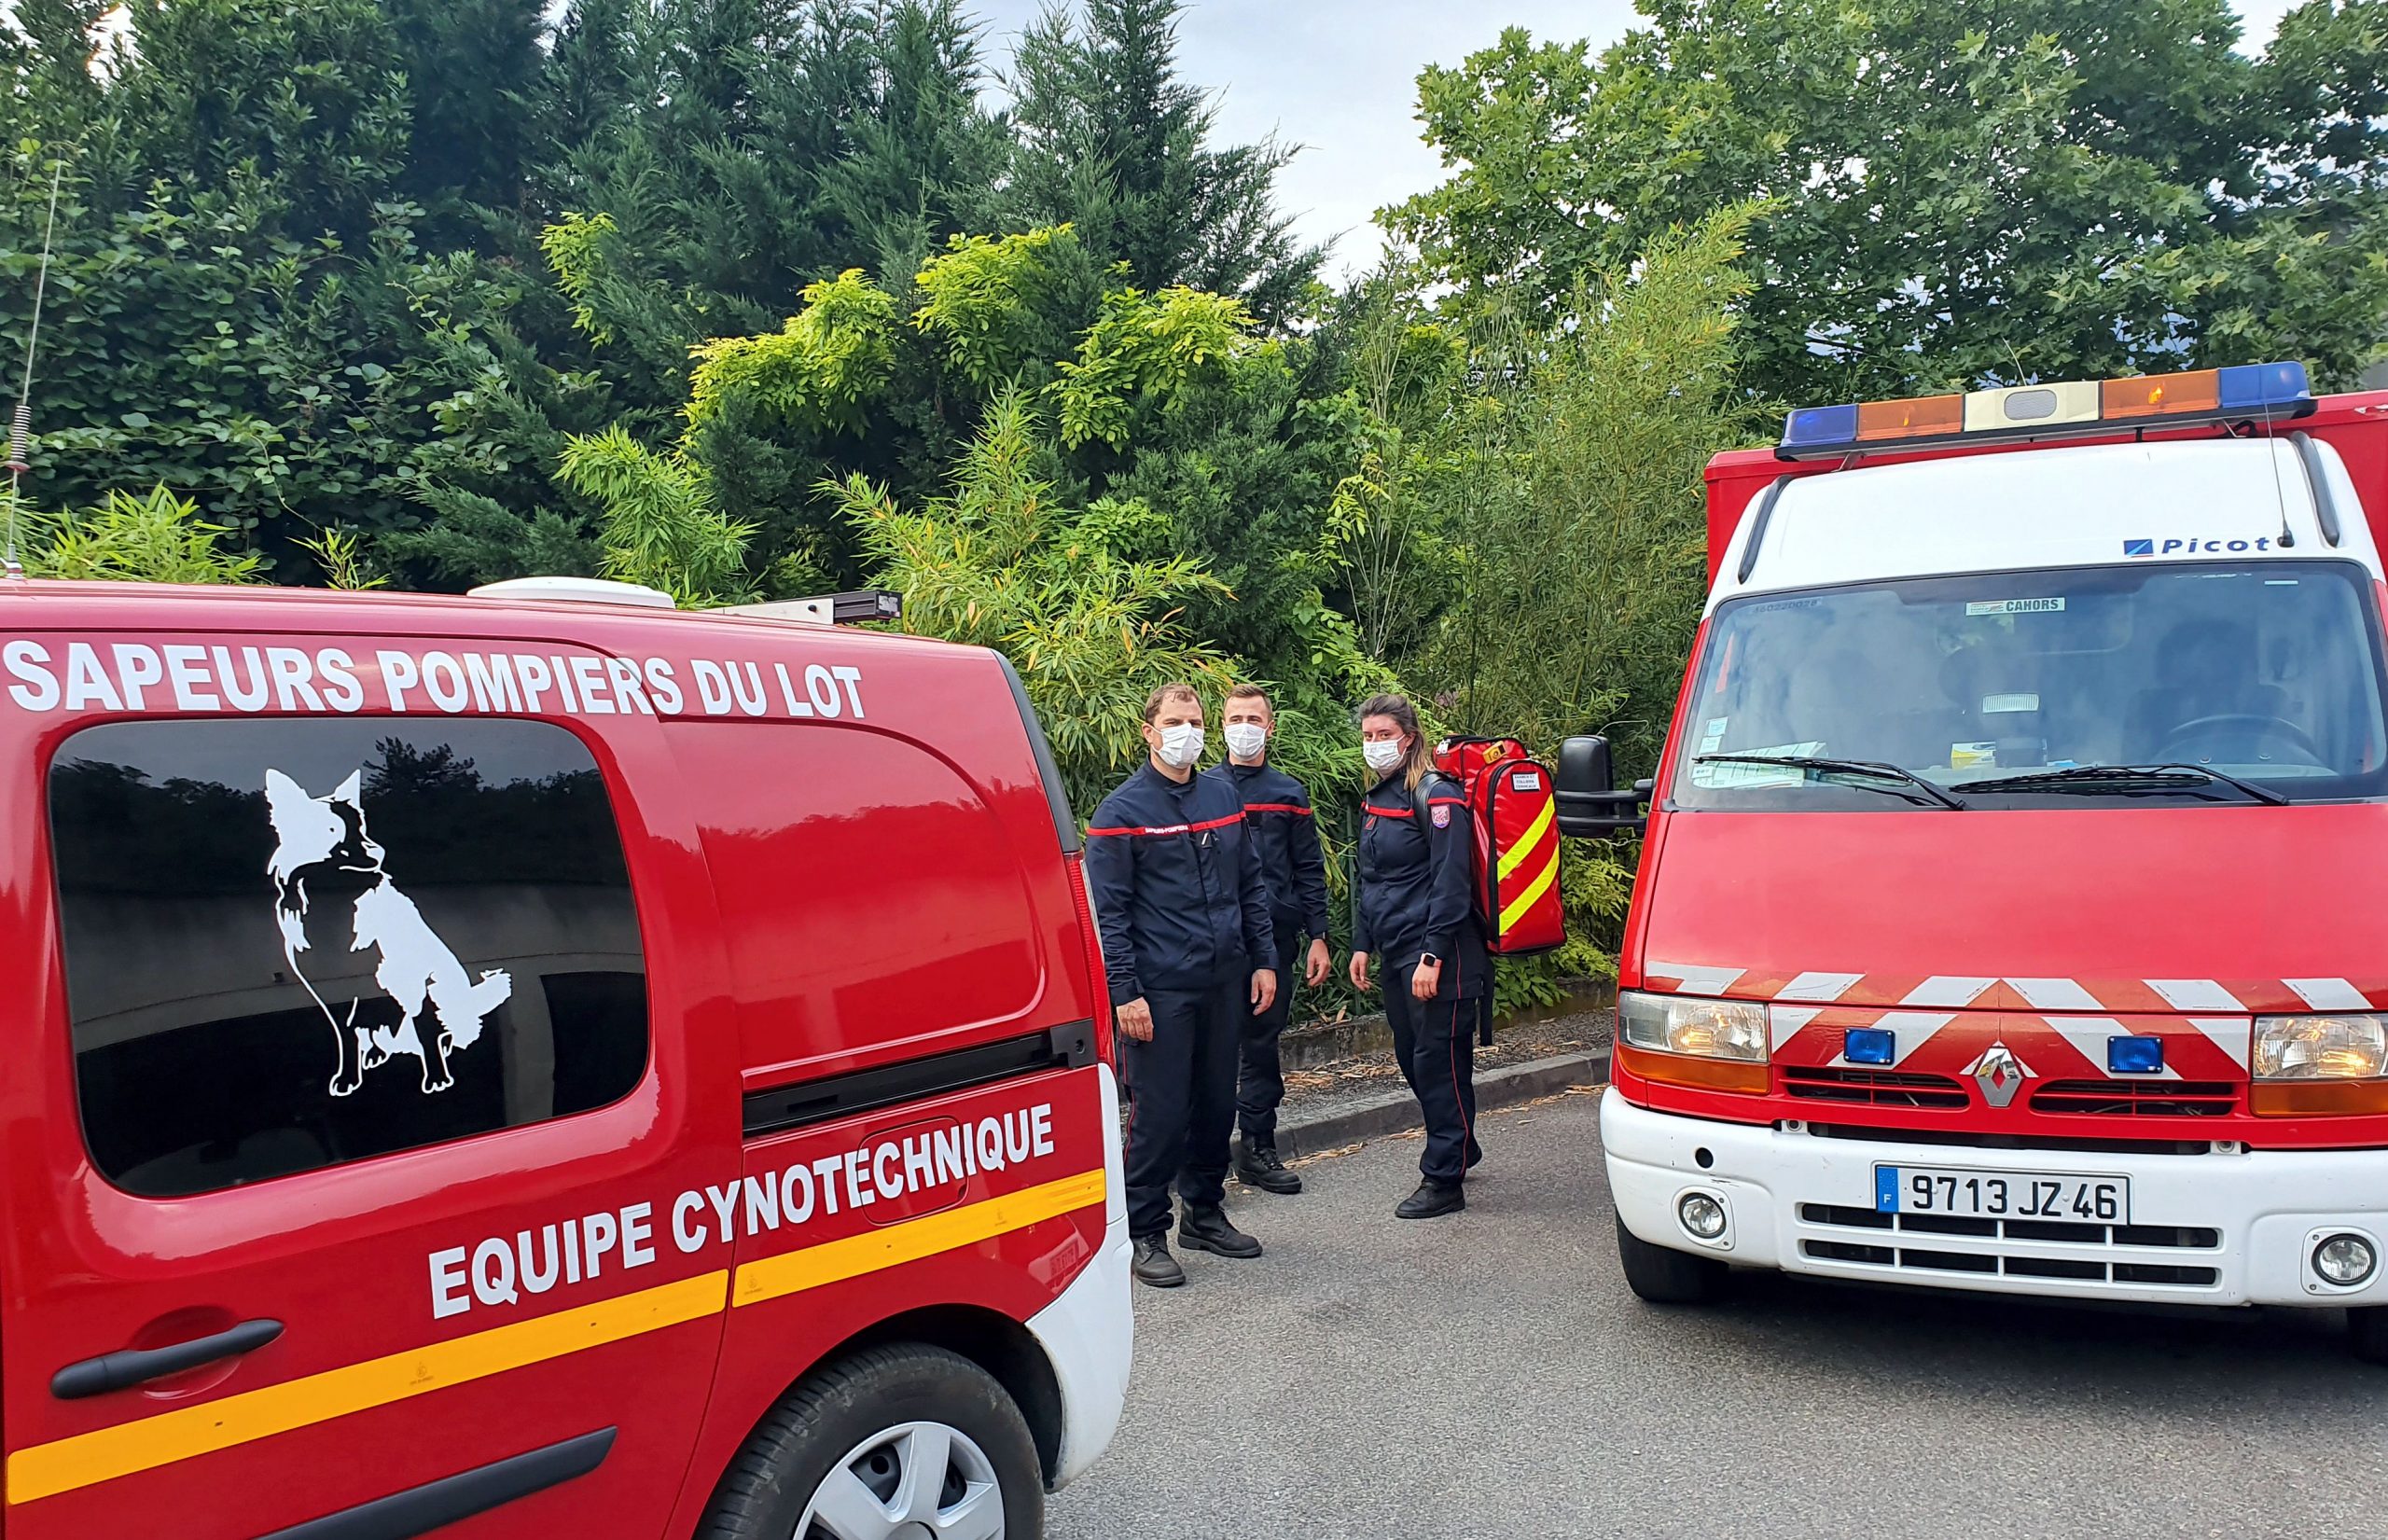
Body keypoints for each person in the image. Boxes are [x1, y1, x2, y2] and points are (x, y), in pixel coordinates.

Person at [1085, 683, 1281, 1287]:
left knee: (1217, 1104)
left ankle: (1205, 1213)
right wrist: (1125, 992)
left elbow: (1250, 885)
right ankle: (1145, 1231)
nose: (1186, 733)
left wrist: (1264, 959)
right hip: (1160, 991)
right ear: (1149, 732)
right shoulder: (1119, 815)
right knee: (1161, 1114)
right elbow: (1109, 916)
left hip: (1224, 980)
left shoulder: (1223, 797)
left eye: (1194, 722)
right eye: (1174, 723)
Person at [1347, 693, 1487, 1219]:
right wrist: (1362, 943)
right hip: (1395, 948)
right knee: (1415, 1058)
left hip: (1439, 953)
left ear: (1409, 738)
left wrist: (1433, 955)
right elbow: (1372, 878)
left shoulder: (1436, 794)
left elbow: (1451, 882)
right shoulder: (1379, 797)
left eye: (1385, 735)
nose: (1375, 744)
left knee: (1436, 1063)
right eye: (1369, 736)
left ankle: (1443, 1178)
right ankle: (1461, 1144)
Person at [1205, 684, 1333, 1196]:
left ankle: (1258, 1149)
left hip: (1274, 942)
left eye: (1253, 719)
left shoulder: (1288, 794)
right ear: (1222, 727)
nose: (1244, 728)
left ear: (1270, 727)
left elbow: (1309, 868)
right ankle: (1206, 1159)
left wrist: (1318, 935)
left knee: (1260, 1046)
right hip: (1214, 943)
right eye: (1236, 719)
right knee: (1211, 1050)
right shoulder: (1202, 791)